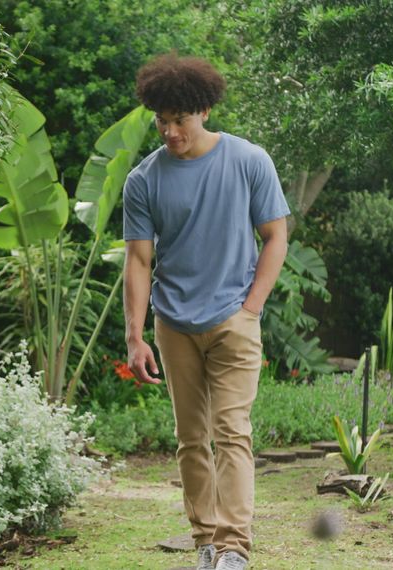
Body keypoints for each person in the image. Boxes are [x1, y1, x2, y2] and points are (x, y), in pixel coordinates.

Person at [122, 52, 289, 570]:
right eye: (162, 121)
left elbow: (275, 236)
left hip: (233, 321)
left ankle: (235, 548)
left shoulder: (248, 161)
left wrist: (251, 307)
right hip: (173, 324)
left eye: (181, 119)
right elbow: (138, 260)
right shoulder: (144, 180)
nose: (171, 131)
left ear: (206, 112)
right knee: (191, 440)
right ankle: (206, 544)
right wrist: (135, 335)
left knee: (232, 431)